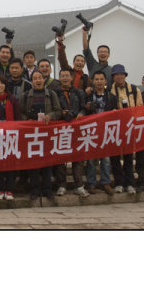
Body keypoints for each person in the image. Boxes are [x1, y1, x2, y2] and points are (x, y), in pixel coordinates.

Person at [19, 70, 61, 200]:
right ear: (32, 81)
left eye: (40, 78)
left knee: (47, 161)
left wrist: (50, 116)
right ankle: (35, 189)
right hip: (32, 134)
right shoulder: (26, 95)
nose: (38, 80)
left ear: (44, 79)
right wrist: (28, 121)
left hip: (48, 132)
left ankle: (47, 189)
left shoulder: (51, 94)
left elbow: (58, 111)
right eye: (35, 78)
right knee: (33, 162)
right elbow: (20, 113)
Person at [53, 68, 89, 197]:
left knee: (78, 158)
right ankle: (61, 185)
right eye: (62, 76)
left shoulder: (79, 92)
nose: (65, 78)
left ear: (72, 78)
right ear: (59, 78)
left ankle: (79, 186)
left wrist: (81, 113)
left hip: (76, 129)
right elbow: (53, 110)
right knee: (60, 158)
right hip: (61, 130)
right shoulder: (55, 93)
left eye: (67, 76)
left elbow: (84, 107)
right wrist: (60, 114)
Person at [109, 64, 143, 194]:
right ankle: (119, 183)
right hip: (114, 128)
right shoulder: (109, 91)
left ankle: (129, 183)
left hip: (130, 127)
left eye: (121, 74)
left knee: (128, 157)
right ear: (113, 77)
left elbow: (140, 108)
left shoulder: (134, 90)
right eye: (116, 75)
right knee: (115, 157)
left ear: (125, 75)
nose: (119, 77)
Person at [84, 70, 117, 195]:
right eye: (96, 79)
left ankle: (106, 182)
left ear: (105, 81)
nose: (99, 82)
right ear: (93, 81)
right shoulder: (87, 96)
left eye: (101, 79)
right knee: (91, 160)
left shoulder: (111, 97)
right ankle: (91, 183)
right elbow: (83, 110)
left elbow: (116, 112)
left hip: (106, 132)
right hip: (91, 131)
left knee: (106, 159)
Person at [0, 74, 20, 200]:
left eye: (2, 83)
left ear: (5, 85)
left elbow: (18, 118)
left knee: (10, 162)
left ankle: (9, 189)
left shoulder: (13, 100)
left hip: (10, 136)